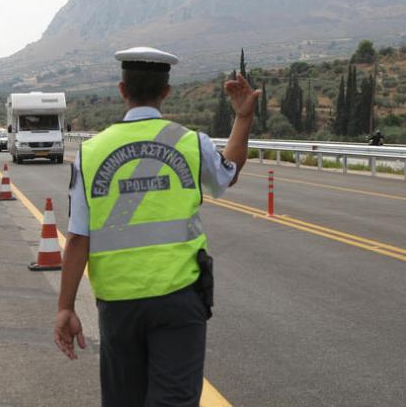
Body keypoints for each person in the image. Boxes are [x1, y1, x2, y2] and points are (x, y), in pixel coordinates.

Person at [53, 46, 260, 406]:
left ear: (122, 90)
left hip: (119, 306)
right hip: (180, 299)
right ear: (166, 91)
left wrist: (65, 307)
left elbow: (77, 239)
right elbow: (229, 173)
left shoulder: (91, 153)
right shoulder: (191, 143)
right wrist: (242, 119)